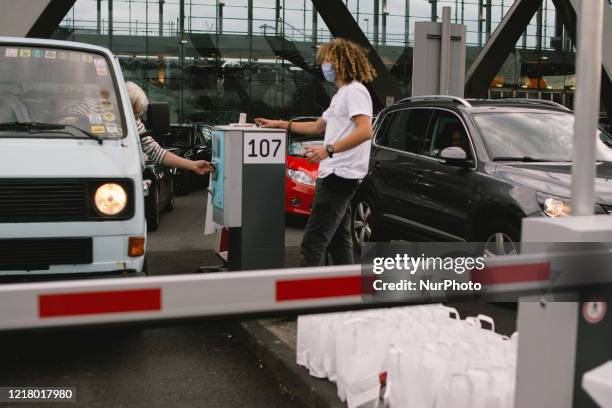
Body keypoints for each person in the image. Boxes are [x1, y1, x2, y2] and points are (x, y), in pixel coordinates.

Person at [255, 38, 376, 266]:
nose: (324, 65)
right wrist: (279, 124)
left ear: (340, 63)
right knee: (339, 241)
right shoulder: (341, 95)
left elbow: (365, 131)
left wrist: (328, 150)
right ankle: (345, 291)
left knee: (313, 242)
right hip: (336, 175)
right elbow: (317, 126)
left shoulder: (354, 92)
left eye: (327, 60)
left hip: (338, 176)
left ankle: (306, 295)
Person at [126, 81, 213, 175]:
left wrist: (193, 165)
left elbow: (156, 152)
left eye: (139, 116)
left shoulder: (137, 124)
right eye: (134, 115)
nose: (137, 120)